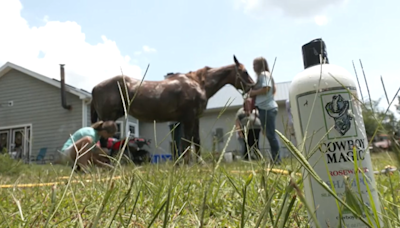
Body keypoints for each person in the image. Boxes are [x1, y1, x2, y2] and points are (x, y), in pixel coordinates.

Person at [248, 56, 281, 165]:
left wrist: (253, 93)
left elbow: (266, 88)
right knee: (269, 134)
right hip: (264, 109)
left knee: (271, 135)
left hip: (267, 108)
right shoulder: (263, 76)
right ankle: (275, 158)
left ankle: (277, 160)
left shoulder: (264, 75)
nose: (253, 67)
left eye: (255, 65)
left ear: (260, 65)